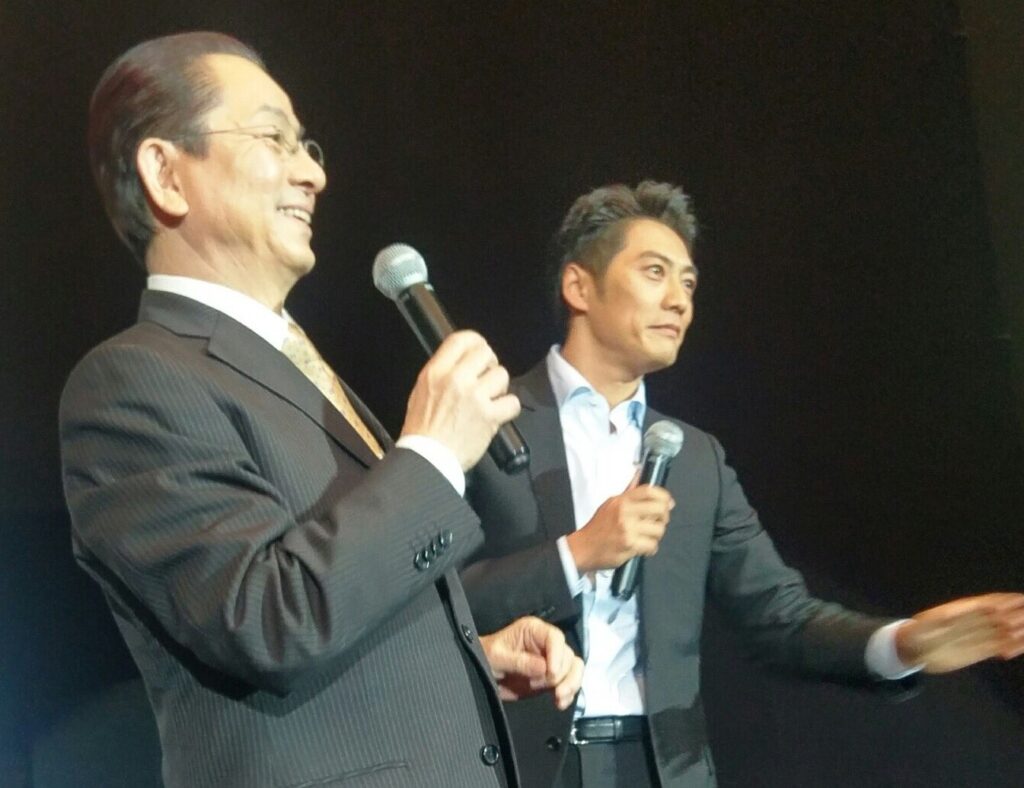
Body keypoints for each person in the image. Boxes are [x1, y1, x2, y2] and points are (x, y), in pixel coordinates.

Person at [59, 32, 582, 788]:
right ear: (167, 174)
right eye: (272, 139)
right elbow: (267, 619)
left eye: (307, 146)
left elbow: (341, 595)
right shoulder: (130, 383)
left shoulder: (294, 367)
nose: (312, 174)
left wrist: (464, 656)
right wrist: (433, 451)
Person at [459, 181, 1024, 787]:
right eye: (655, 272)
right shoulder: (485, 418)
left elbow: (780, 615)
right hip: (516, 765)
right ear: (579, 287)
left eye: (689, 283)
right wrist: (577, 554)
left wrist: (903, 643)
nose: (679, 300)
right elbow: (429, 606)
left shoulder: (695, 458)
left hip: (664, 769)